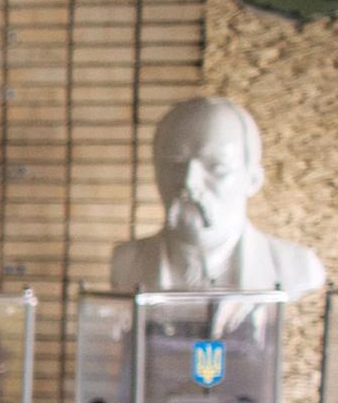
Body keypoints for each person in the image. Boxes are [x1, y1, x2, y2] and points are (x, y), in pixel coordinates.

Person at [109, 96, 325, 299]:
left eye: (216, 167)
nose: (189, 182)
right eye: (175, 164)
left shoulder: (296, 266)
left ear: (253, 180)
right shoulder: (127, 262)